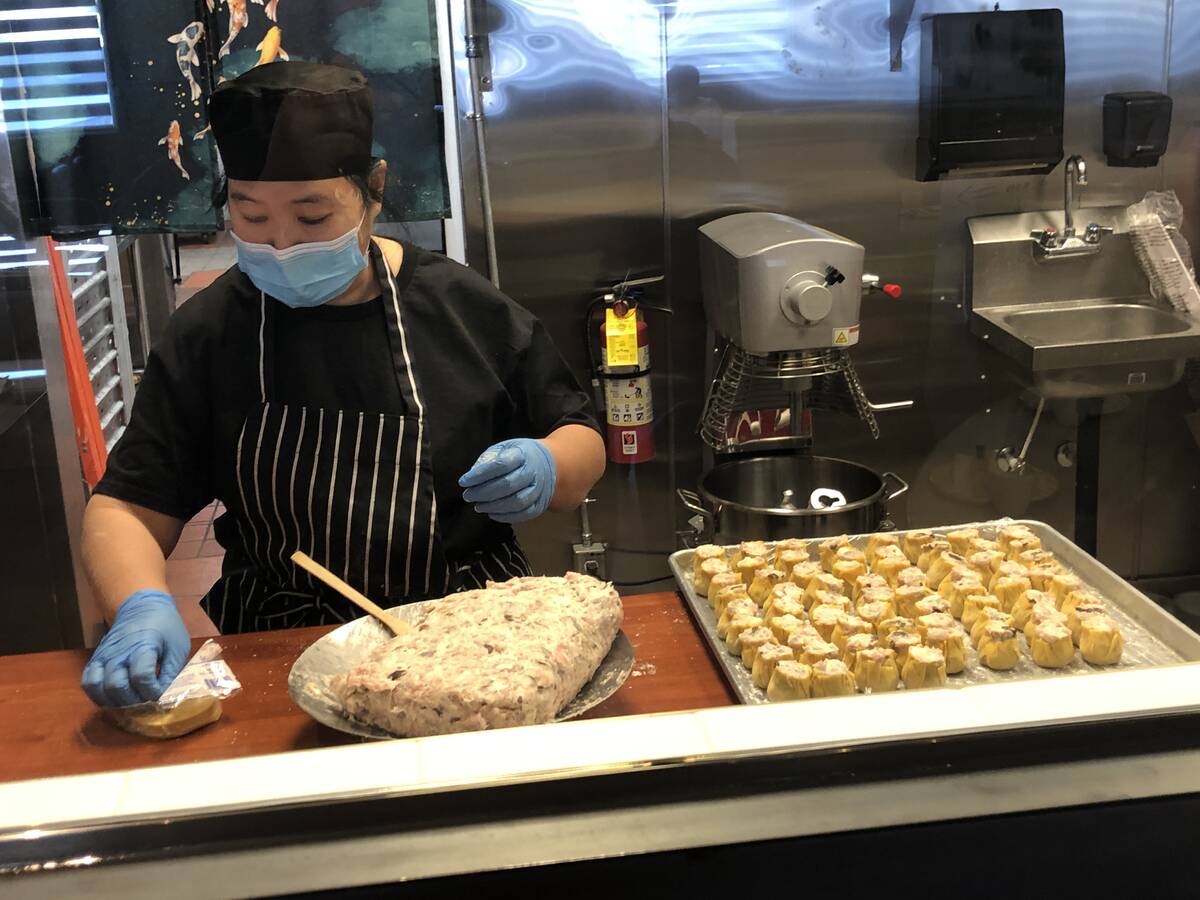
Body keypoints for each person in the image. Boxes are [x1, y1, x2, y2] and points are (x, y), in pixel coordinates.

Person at [80, 62, 605, 707]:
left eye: (312, 218)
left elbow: (581, 436)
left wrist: (551, 463)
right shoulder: (211, 332)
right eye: (251, 217)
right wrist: (139, 603)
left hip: (477, 639)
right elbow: (128, 505)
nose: (281, 244)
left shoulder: (461, 307)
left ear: (373, 188)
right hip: (283, 643)